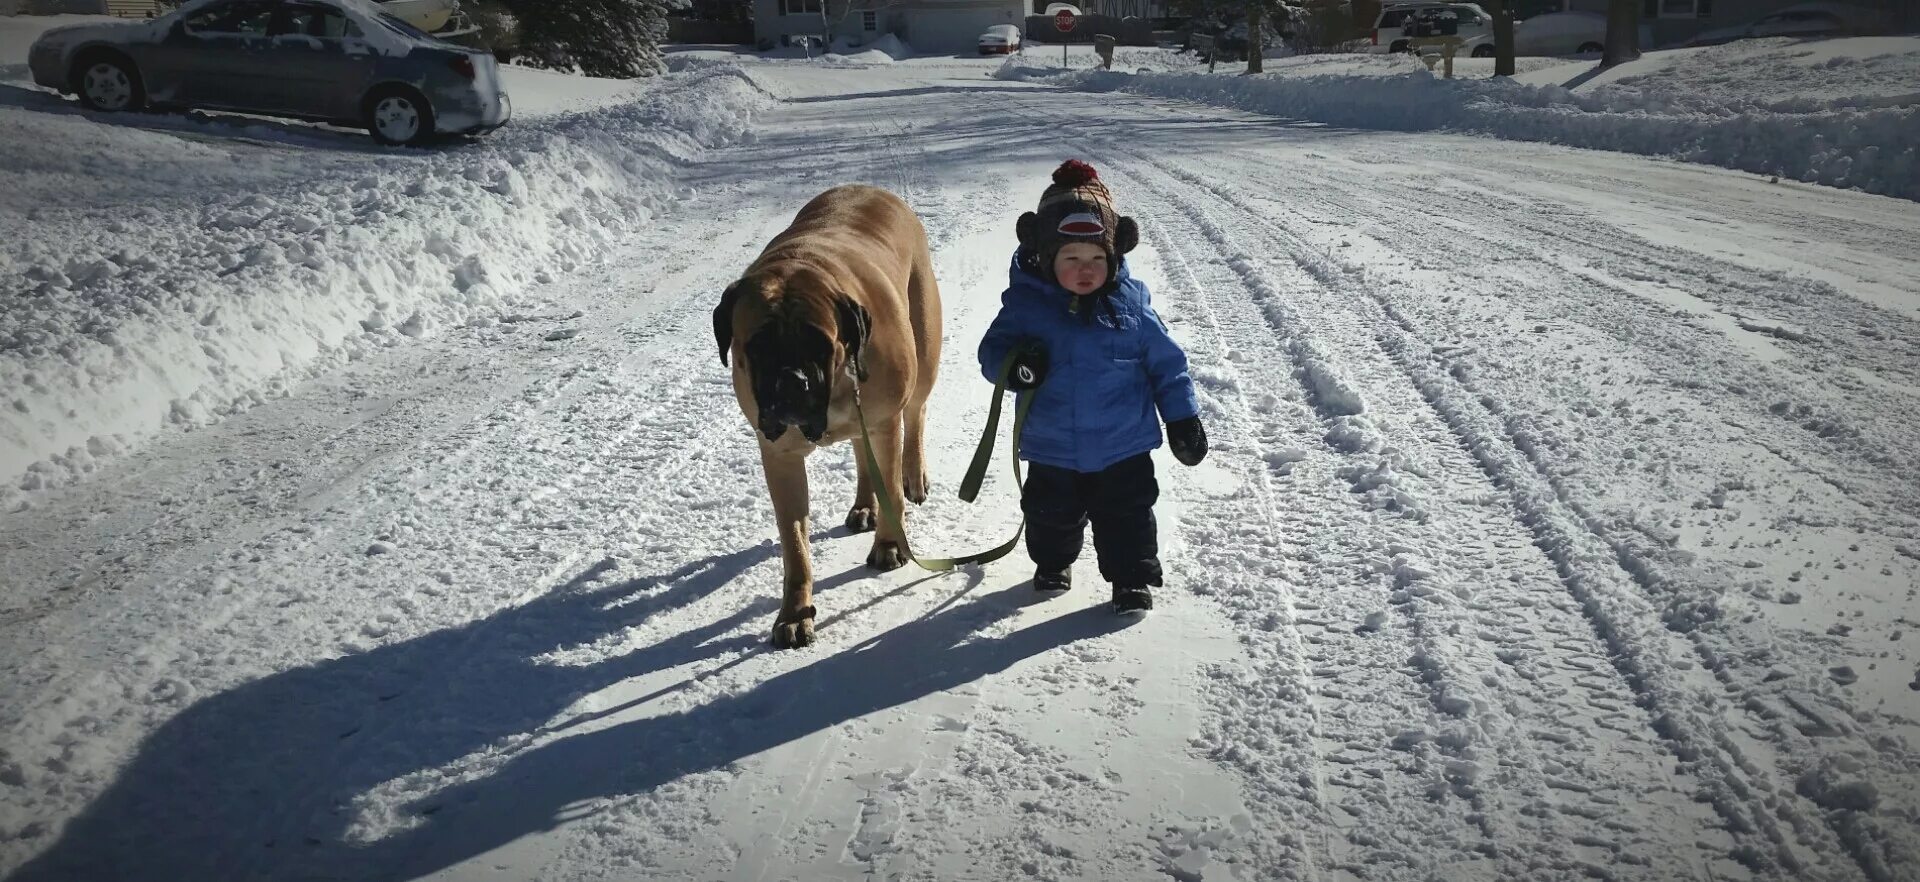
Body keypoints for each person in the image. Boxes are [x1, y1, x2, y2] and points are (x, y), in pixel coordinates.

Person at [978, 159, 1207, 614]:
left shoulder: (1132, 307)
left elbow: (1168, 366)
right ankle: (1053, 563)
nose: (1086, 270)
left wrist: (1183, 418)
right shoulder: (1026, 307)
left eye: (1097, 258)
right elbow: (992, 351)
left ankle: (1132, 579)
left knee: (1128, 516)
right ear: (1045, 257)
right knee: (1049, 517)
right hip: (1052, 447)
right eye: (1071, 258)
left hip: (1123, 446)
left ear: (1115, 254)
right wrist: (1015, 367)